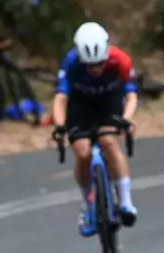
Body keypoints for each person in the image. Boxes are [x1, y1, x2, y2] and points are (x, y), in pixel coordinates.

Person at [51, 21, 139, 237]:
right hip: (80, 105)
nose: (96, 69)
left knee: (109, 142)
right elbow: (61, 99)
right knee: (82, 152)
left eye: (99, 63)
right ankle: (87, 205)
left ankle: (126, 202)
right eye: (90, 66)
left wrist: (126, 120)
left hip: (109, 101)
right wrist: (60, 126)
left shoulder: (121, 60)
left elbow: (131, 96)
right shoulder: (70, 62)